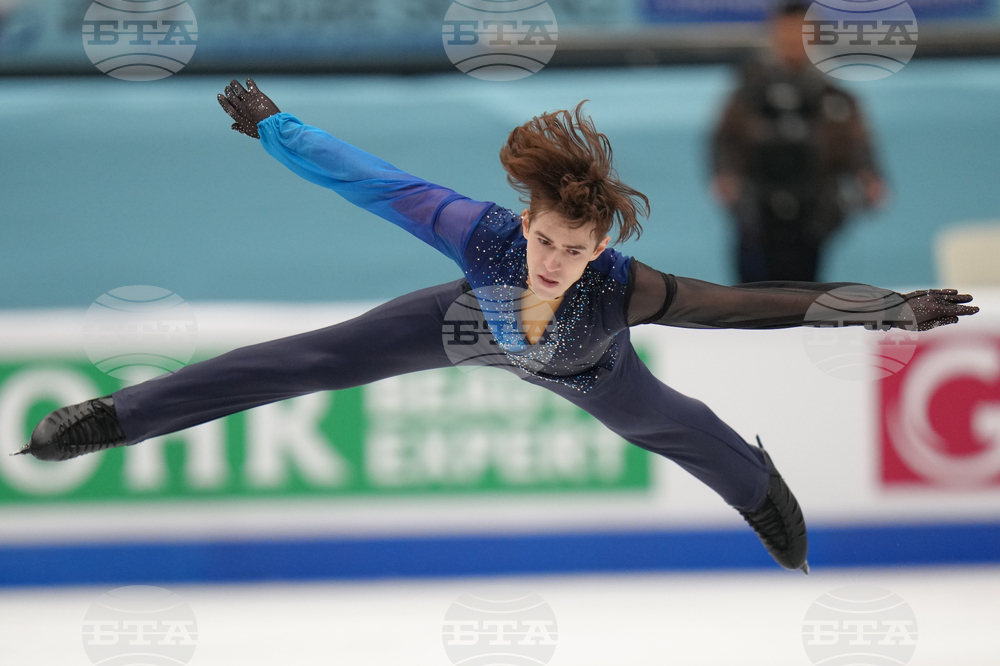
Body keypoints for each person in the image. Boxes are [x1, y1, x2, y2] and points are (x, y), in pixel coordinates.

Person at [15, 80, 979, 575]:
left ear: (604, 239)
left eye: (580, 248)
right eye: (551, 243)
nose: (562, 263)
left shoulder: (624, 289)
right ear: (528, 223)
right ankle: (112, 419)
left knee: (676, 427)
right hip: (463, 327)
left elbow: (754, 306)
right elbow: (372, 181)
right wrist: (277, 126)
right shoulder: (477, 235)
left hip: (592, 371)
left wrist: (886, 306)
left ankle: (767, 497)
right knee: (303, 361)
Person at [711, 0, 888, 283]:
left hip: (814, 212)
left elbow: (856, 143)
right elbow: (723, 141)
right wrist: (724, 176)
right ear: (773, 34)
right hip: (757, 211)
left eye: (803, 33)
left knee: (805, 291)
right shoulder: (747, 93)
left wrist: (869, 176)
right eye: (787, 33)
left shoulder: (834, 97)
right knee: (751, 294)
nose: (794, 41)